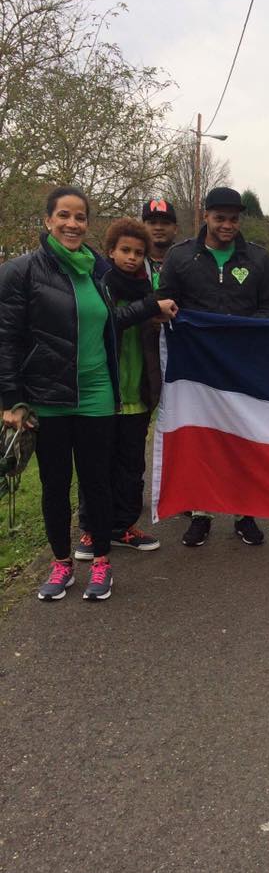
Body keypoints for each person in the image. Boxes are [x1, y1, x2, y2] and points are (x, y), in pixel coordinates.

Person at [0, 187, 177, 602]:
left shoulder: (98, 270)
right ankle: (61, 563)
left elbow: (111, 320)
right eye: (64, 215)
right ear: (47, 221)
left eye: (80, 217)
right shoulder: (20, 272)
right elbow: (6, 339)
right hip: (48, 396)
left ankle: (101, 563)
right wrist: (9, 401)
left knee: (97, 482)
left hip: (98, 394)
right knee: (54, 484)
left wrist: (153, 306)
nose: (72, 224)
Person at [157, 185, 269, 548]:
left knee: (243, 437)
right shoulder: (181, 257)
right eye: (220, 218)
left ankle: (245, 512)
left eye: (233, 219)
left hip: (245, 367)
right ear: (205, 216)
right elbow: (165, 301)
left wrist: (247, 334)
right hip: (198, 368)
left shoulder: (258, 259)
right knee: (202, 438)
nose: (227, 225)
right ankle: (201, 513)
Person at [74, 218, 163, 562]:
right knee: (96, 465)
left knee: (130, 466)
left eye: (138, 253)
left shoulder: (151, 289)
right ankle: (91, 529)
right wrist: (151, 309)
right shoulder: (97, 286)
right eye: (125, 250)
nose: (131, 258)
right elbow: (112, 320)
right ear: (110, 251)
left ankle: (124, 526)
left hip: (137, 396)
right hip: (101, 394)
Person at [141, 197, 178, 290]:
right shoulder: (131, 262)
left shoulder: (188, 261)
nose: (158, 227)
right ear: (142, 227)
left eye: (165, 223)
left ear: (175, 229)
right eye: (152, 223)